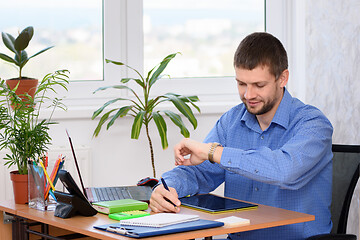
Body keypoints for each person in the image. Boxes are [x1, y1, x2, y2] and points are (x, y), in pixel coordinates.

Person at [149, 32, 333, 240]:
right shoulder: (232, 121)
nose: (248, 95)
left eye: (259, 85)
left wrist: (213, 152)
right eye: (241, 84)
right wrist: (165, 188)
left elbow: (284, 170)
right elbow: (198, 172)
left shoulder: (313, 124)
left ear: (283, 78)